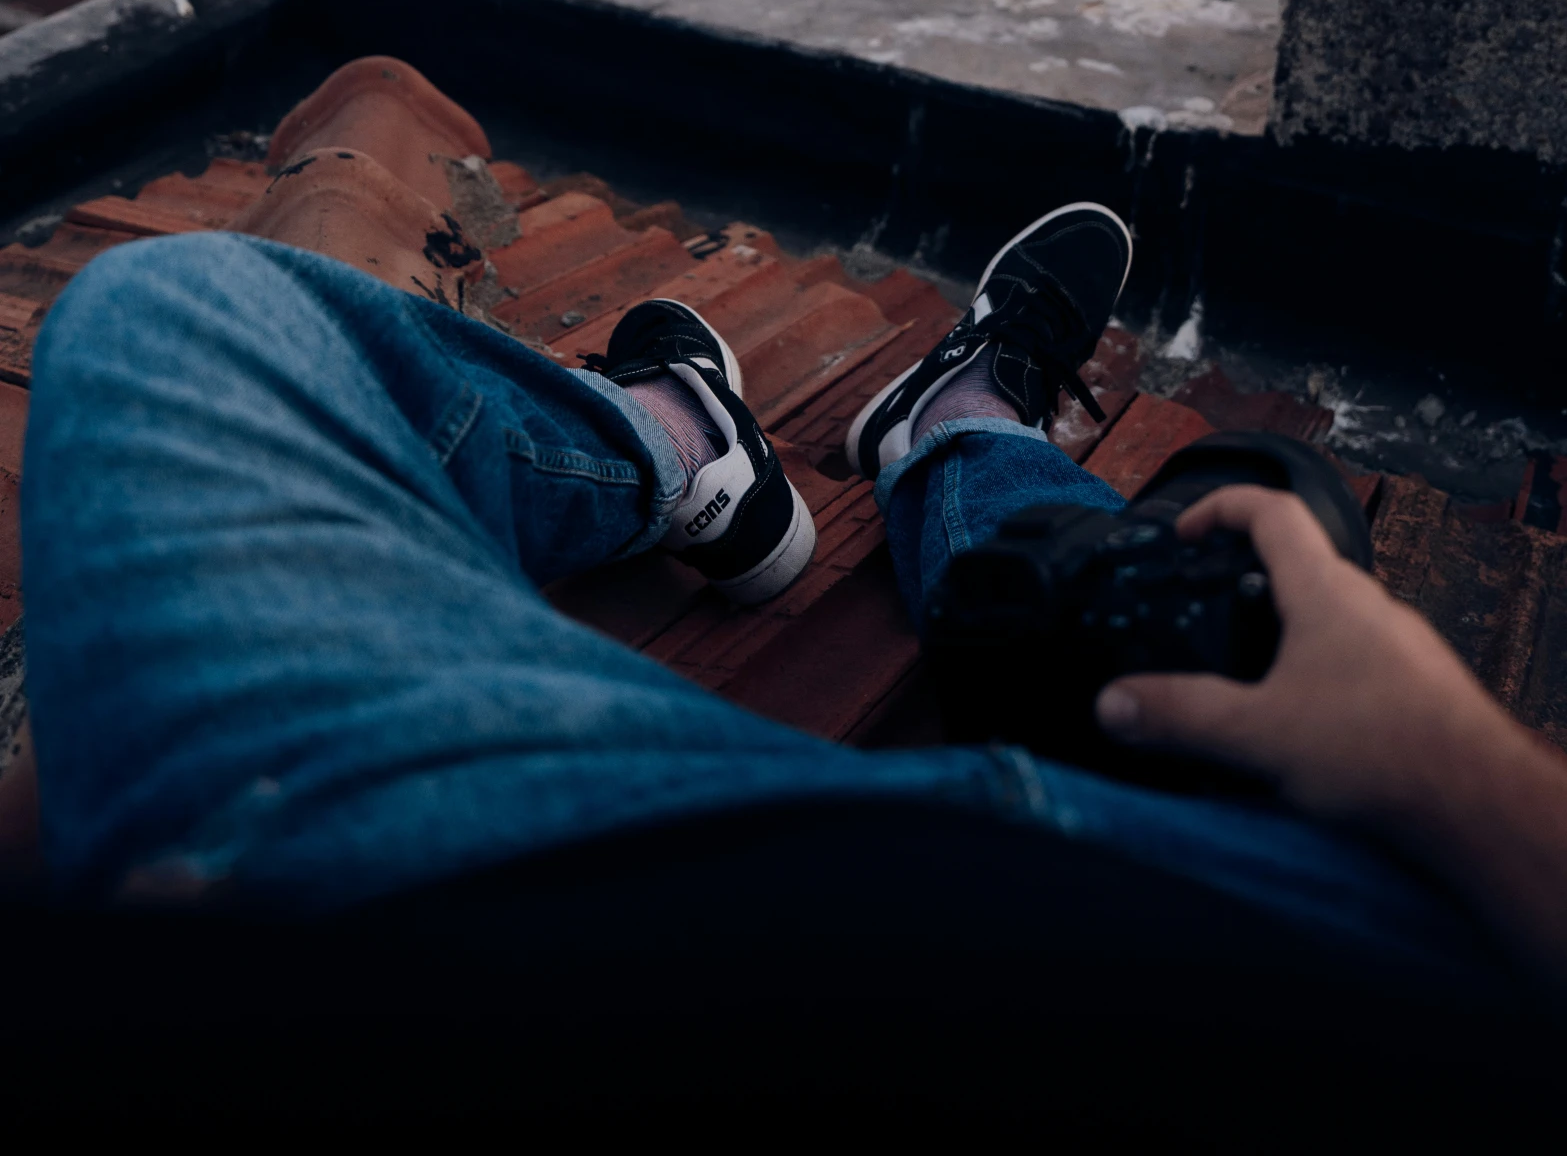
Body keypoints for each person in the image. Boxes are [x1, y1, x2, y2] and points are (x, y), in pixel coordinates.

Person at [14, 186, 1567, 1033]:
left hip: (535, 912)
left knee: (178, 315)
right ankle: (962, 443)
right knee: (1164, 587)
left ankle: (676, 439)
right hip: (1276, 928)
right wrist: (1444, 764)